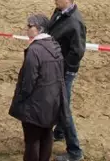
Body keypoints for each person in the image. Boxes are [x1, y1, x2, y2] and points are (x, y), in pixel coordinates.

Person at [8, 14, 70, 161]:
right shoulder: (54, 45)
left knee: (32, 141)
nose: (26, 29)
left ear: (39, 29)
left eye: (30, 26)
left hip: (35, 104)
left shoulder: (34, 50)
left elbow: (28, 81)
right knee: (47, 136)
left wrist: (21, 99)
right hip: (52, 102)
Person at [48, 0, 86, 161]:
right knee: (61, 103)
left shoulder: (75, 22)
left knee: (63, 108)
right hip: (57, 66)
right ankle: (59, 132)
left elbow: (77, 51)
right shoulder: (59, 11)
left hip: (65, 71)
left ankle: (75, 151)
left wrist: (64, 69)